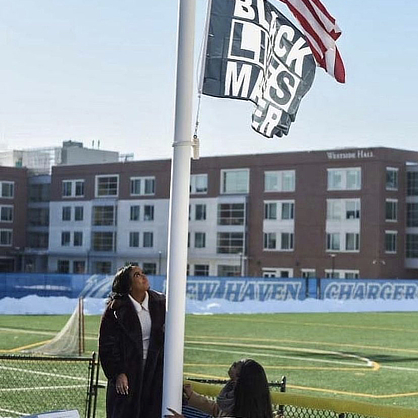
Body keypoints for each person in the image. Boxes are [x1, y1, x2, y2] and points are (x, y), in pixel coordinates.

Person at [99, 264, 166, 418]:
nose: (144, 277)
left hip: (154, 372)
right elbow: (107, 346)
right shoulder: (115, 310)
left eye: (143, 272)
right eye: (137, 275)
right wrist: (118, 373)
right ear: (128, 286)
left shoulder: (160, 303)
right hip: (128, 373)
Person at [174, 359, 273, 418]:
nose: (233, 364)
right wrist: (192, 395)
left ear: (239, 379)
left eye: (235, 366)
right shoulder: (243, 401)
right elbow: (218, 410)